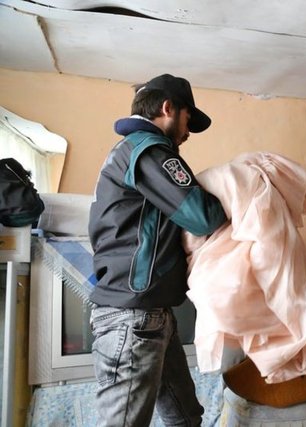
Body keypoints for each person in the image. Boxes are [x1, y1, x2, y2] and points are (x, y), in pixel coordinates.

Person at [88, 74, 227, 426]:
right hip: (133, 318)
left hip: (150, 315)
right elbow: (203, 216)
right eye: (187, 119)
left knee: (185, 419)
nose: (188, 131)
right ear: (168, 108)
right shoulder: (148, 150)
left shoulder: (129, 151)